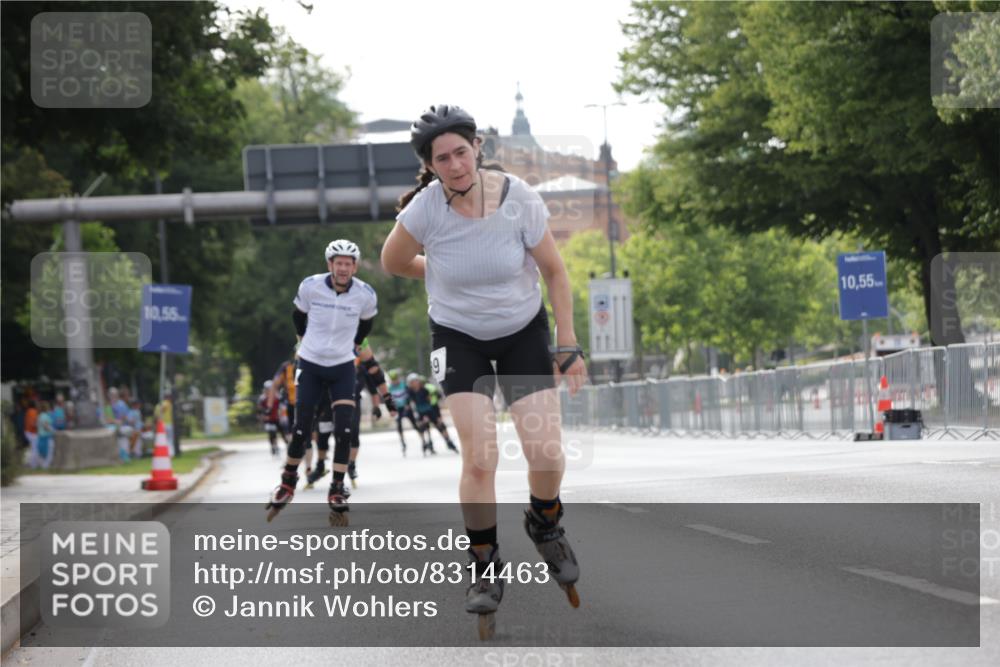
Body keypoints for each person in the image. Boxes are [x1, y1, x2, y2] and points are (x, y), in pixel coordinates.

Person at [381, 104, 588, 637]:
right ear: (429, 165)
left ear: (477, 148)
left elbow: (554, 271)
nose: (454, 165)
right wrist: (438, 268)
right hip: (458, 338)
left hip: (522, 332)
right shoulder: (425, 211)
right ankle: (483, 564)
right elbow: (393, 262)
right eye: (441, 159)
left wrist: (567, 344)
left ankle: (545, 521)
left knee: (546, 452)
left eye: (461, 152)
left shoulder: (519, 199)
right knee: (480, 457)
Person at [265, 239, 378, 527]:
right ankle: (287, 481)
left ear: (354, 267)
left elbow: (367, 324)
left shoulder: (365, 294)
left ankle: (337, 487)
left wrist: (353, 344)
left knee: (345, 430)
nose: (343, 269)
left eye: (348, 264)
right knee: (301, 428)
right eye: (338, 263)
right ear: (330, 265)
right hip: (311, 363)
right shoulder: (311, 286)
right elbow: (298, 316)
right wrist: (304, 341)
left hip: (342, 365)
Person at [406, 373, 458, 455]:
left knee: (440, 425)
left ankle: (448, 441)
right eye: (412, 382)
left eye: (416, 381)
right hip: (420, 412)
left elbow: (430, 401)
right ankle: (424, 443)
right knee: (422, 426)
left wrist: (436, 415)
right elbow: (411, 403)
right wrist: (417, 415)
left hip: (429, 410)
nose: (415, 383)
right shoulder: (410, 392)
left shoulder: (424, 390)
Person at [388, 369, 421, 456]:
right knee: (399, 426)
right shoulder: (390, 388)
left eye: (395, 379)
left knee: (414, 424)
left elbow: (409, 395)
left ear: (398, 378)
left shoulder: (404, 385)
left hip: (406, 407)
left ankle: (423, 440)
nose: (394, 381)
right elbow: (389, 400)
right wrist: (391, 410)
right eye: (393, 379)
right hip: (398, 409)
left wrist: (408, 404)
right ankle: (403, 443)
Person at [257, 380, 283, 457]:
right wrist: (261, 417)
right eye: (267, 389)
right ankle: (273, 446)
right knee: (271, 433)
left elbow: (281, 407)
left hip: (277, 418)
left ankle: (279, 445)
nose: (269, 390)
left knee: (282, 433)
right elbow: (259, 409)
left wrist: (280, 414)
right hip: (268, 419)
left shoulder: (277, 396)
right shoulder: (262, 398)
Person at [36, 400, 55, 469]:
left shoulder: (40, 416)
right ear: (46, 408)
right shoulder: (45, 416)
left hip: (41, 437)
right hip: (46, 437)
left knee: (42, 453)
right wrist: (53, 431)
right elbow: (46, 426)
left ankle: (43, 466)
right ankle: (45, 467)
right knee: (49, 453)